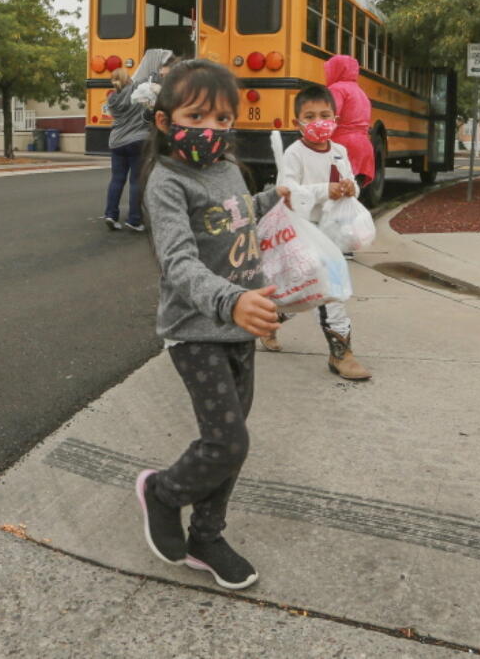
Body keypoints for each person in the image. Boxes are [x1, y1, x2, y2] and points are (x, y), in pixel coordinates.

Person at [135, 59, 293, 591]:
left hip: (239, 327)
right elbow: (178, 264)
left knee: (234, 440)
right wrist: (231, 302)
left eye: (223, 119)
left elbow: (236, 214)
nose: (212, 129)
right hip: (198, 328)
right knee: (225, 442)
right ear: (164, 121)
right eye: (197, 115)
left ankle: (206, 535)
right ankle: (162, 492)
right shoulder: (167, 181)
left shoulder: (225, 167)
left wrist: (273, 201)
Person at [264, 83, 371, 380]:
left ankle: (272, 317)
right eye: (309, 116)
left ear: (335, 119)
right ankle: (342, 353)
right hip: (303, 230)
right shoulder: (294, 154)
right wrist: (327, 190)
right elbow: (288, 191)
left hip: (332, 232)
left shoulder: (339, 151)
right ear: (296, 122)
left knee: (310, 288)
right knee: (330, 290)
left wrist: (352, 187)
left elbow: (352, 184)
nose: (317, 122)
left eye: (324, 114)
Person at [103, 48, 171, 231]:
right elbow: (149, 74)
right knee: (135, 181)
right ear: (128, 78)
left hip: (116, 142)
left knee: (116, 179)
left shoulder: (112, 100)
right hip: (137, 141)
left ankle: (111, 214)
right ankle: (134, 220)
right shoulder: (137, 89)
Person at [323, 54, 374, 189]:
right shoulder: (361, 92)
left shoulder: (336, 89)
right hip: (364, 148)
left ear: (337, 69)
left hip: (343, 148)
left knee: (334, 192)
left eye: (329, 70)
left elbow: (330, 117)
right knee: (352, 194)